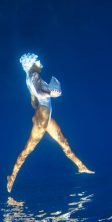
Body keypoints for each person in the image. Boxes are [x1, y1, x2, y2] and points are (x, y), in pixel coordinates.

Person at [7, 53, 94, 193]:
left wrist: (45, 96)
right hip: (42, 120)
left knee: (63, 141)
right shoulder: (34, 76)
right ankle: (11, 177)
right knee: (27, 150)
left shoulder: (30, 78)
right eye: (37, 61)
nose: (40, 62)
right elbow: (41, 93)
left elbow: (33, 101)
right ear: (31, 63)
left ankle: (81, 166)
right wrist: (51, 93)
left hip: (46, 116)